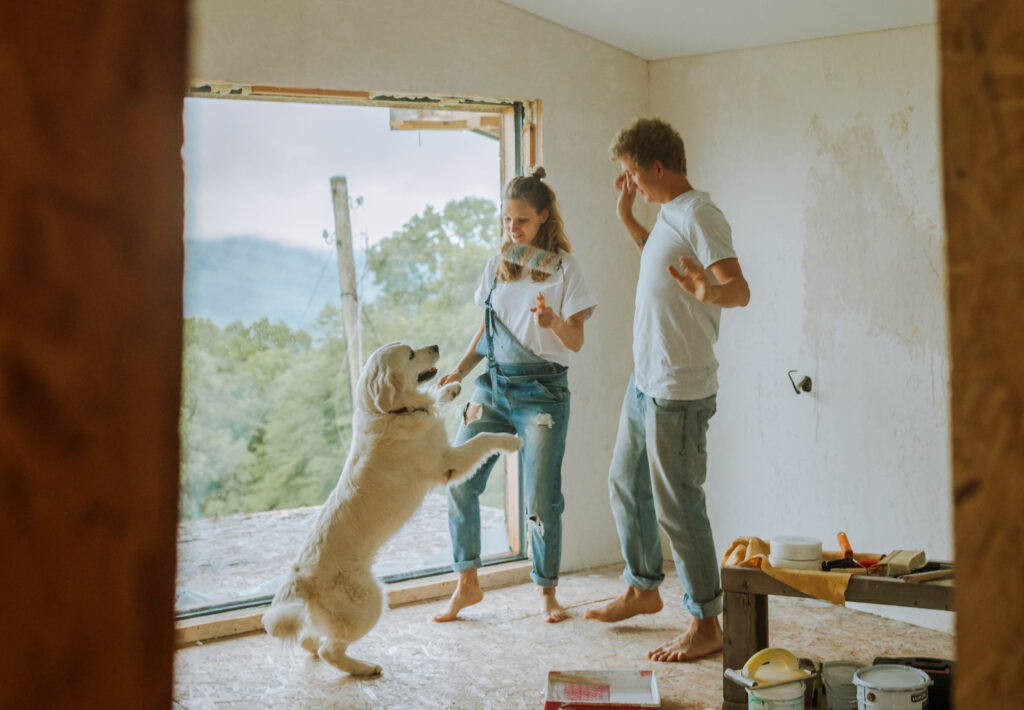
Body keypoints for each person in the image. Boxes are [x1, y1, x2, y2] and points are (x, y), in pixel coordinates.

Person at [584, 118, 750, 662]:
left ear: (658, 167)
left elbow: (738, 289)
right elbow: (654, 257)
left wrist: (709, 288)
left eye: (632, 174)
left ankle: (706, 623)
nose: (630, 182)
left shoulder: (700, 212)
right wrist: (626, 214)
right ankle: (643, 588)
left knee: (679, 508)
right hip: (646, 380)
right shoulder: (667, 216)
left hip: (678, 389)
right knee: (625, 484)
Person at [432, 167, 597, 624]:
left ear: (543, 217)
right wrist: (459, 372)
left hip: (542, 393)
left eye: (522, 221)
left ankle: (546, 592)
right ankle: (467, 584)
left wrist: (553, 324)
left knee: (541, 499)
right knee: (457, 476)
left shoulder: (565, 269)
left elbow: (577, 340)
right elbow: (487, 331)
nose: (513, 229)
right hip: (493, 386)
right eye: (507, 221)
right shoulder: (497, 267)